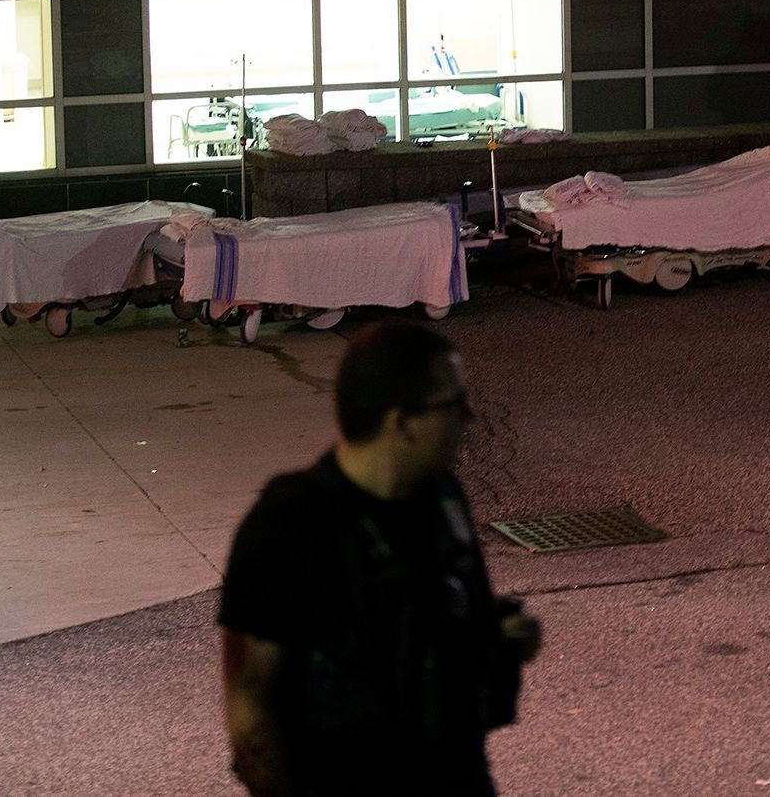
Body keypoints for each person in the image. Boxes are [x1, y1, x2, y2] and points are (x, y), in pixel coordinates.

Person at [219, 320, 542, 796]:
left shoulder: (443, 499)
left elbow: (442, 625)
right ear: (401, 423)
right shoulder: (290, 524)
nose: (469, 418)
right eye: (452, 405)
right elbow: (249, 708)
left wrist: (495, 638)